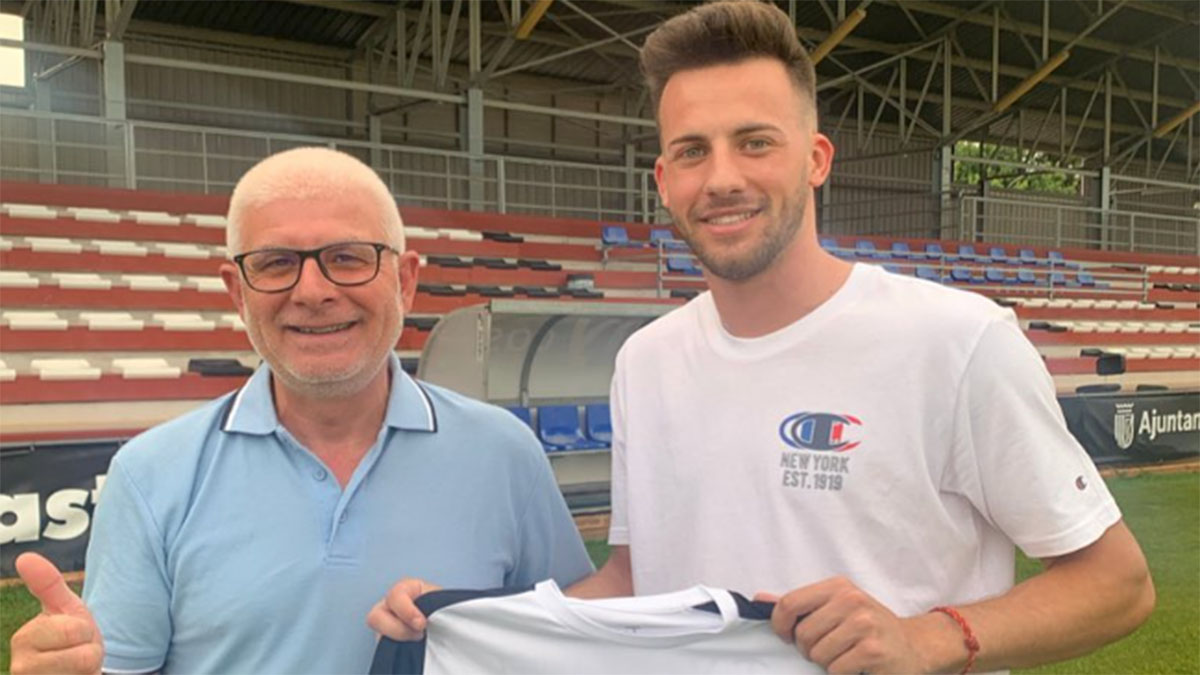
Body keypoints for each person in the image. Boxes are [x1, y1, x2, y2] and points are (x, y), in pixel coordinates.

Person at [374, 3, 1154, 673]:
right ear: (664, 181)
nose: (721, 178)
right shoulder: (647, 362)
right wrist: (460, 617)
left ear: (815, 160)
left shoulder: (957, 341)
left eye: (755, 142)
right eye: (692, 150)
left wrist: (929, 638)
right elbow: (634, 578)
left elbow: (1117, 582)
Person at [8, 147, 592, 675]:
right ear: (237, 292)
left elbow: (571, 649)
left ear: (405, 280)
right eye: (275, 263)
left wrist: (472, 633)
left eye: (347, 256)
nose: (312, 290)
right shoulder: (148, 473)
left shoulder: (505, 454)